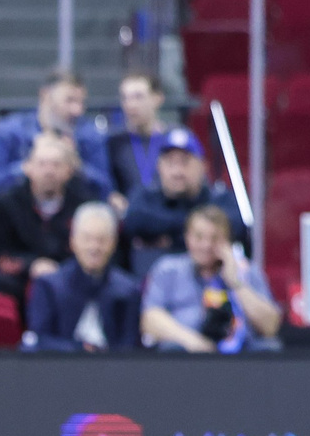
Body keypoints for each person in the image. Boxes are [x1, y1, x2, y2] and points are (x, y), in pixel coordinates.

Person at [0, 130, 105, 308]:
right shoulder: (6, 205)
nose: (49, 171)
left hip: (69, 279)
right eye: (42, 164)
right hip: (20, 278)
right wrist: (31, 265)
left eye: (56, 165)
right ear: (28, 168)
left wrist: (60, 270)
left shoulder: (85, 206)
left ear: (69, 171)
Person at [141, 205, 282, 354]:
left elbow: (270, 327)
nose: (206, 245)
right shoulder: (168, 269)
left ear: (227, 241)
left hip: (241, 359)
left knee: (270, 348)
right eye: (199, 237)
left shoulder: (247, 271)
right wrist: (194, 342)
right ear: (187, 237)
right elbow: (150, 320)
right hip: (185, 358)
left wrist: (236, 283)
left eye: (215, 238)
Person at [118, 126, 247, 280]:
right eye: (170, 163)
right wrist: (197, 227)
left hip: (212, 289)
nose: (177, 172)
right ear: (159, 167)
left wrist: (163, 233)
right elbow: (132, 222)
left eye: (185, 162)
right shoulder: (145, 197)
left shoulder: (220, 198)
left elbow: (238, 227)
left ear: (203, 166)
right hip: (150, 291)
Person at [0, 66, 114, 198]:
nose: (78, 110)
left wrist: (76, 165)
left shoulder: (89, 134)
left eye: (81, 102)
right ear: (45, 95)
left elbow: (106, 191)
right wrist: (28, 166)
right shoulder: (10, 131)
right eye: (69, 100)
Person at [26, 203, 142, 352]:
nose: (94, 247)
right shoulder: (48, 285)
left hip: (113, 370)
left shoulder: (128, 290)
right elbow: (40, 338)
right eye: (87, 238)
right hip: (59, 368)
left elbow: (130, 344)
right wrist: (80, 351)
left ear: (113, 243)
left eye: (101, 240)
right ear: (72, 241)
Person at [105, 72, 178, 204]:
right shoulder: (114, 142)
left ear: (158, 98)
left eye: (138, 97)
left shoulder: (175, 138)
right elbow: (107, 186)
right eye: (125, 98)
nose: (130, 105)